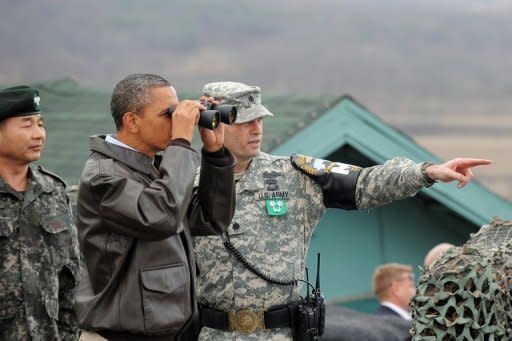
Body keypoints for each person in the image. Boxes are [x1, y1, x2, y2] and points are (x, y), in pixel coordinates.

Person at [192, 81, 492, 340]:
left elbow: (364, 182)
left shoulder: (294, 174)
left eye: (259, 119)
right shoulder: (187, 186)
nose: (256, 129)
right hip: (214, 334)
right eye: (244, 121)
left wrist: (426, 172)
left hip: (282, 334)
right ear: (214, 123)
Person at [74, 74, 236, 340]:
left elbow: (209, 219)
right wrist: (181, 143)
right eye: (168, 114)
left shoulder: (153, 167)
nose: (176, 122)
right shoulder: (104, 176)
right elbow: (160, 217)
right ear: (132, 121)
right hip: (119, 335)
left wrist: (215, 153)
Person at [0, 85, 80, 340]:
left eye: (40, 124)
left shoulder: (53, 191)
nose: (38, 134)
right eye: (26, 125)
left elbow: (71, 275)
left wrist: (68, 333)